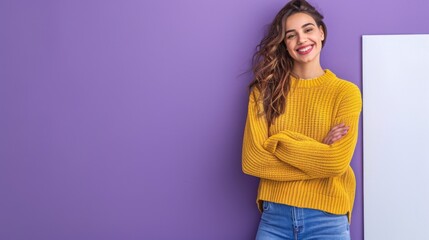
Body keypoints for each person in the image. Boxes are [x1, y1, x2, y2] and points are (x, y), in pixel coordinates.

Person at [241, 0, 362, 239]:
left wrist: (279, 142)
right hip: (275, 218)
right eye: (291, 35)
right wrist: (319, 151)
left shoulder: (345, 92)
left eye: (308, 30)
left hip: (327, 219)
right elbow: (253, 162)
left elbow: (336, 162)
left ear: (321, 32)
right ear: (284, 44)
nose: (302, 40)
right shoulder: (264, 92)